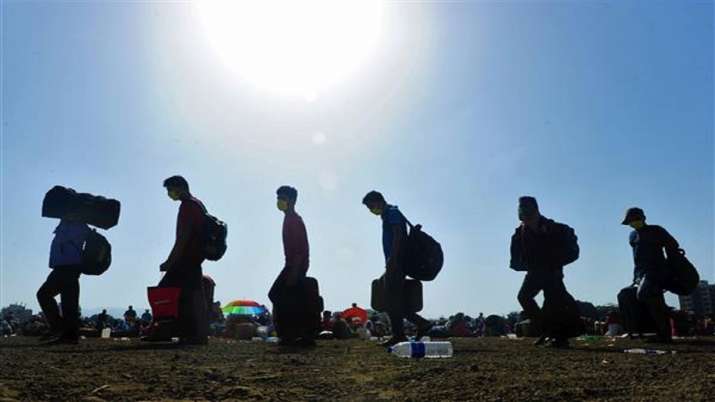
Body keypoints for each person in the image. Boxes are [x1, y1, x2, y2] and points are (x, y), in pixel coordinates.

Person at [362, 191, 432, 348]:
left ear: (378, 201)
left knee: (390, 298)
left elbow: (398, 234)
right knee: (393, 298)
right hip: (396, 262)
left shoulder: (391, 212)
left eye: (371, 206)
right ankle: (421, 324)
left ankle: (400, 334)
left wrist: (393, 258)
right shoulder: (389, 213)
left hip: (397, 262)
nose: (371, 210)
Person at [509, 196, 581, 348]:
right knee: (524, 297)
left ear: (536, 212)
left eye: (529, 215)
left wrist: (553, 262)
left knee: (554, 301)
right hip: (534, 272)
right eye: (523, 216)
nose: (527, 220)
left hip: (552, 271)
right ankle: (548, 330)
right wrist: (529, 266)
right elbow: (515, 261)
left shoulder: (557, 229)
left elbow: (572, 251)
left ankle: (559, 337)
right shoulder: (519, 234)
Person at [152, 175, 209, 345]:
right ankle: (193, 333)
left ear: (179, 188)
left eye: (170, 190)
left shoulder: (187, 206)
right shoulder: (198, 204)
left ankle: (167, 331)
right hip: (195, 256)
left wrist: (170, 260)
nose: (169, 194)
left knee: (166, 291)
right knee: (191, 294)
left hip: (186, 257)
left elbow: (183, 237)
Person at [621, 207, 679, 343]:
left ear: (642, 218)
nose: (633, 223)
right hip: (642, 273)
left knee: (645, 295)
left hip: (657, 270)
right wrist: (636, 276)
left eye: (635, 220)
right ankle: (662, 332)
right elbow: (636, 257)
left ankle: (666, 328)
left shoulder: (656, 230)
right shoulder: (632, 236)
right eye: (630, 221)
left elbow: (672, 245)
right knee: (652, 299)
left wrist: (671, 266)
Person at [268, 185, 314, 347]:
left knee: (277, 294)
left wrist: (295, 271)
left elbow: (300, 250)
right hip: (292, 265)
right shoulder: (288, 219)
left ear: (292, 200)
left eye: (283, 198)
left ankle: (290, 335)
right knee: (289, 298)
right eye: (278, 198)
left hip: (295, 265)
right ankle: (293, 335)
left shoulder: (294, 220)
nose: (279, 202)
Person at [37, 214, 90, 344]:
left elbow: (65, 242)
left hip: (67, 266)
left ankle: (62, 329)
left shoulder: (77, 225)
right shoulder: (69, 224)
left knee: (46, 295)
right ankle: (67, 333)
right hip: (65, 266)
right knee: (68, 302)